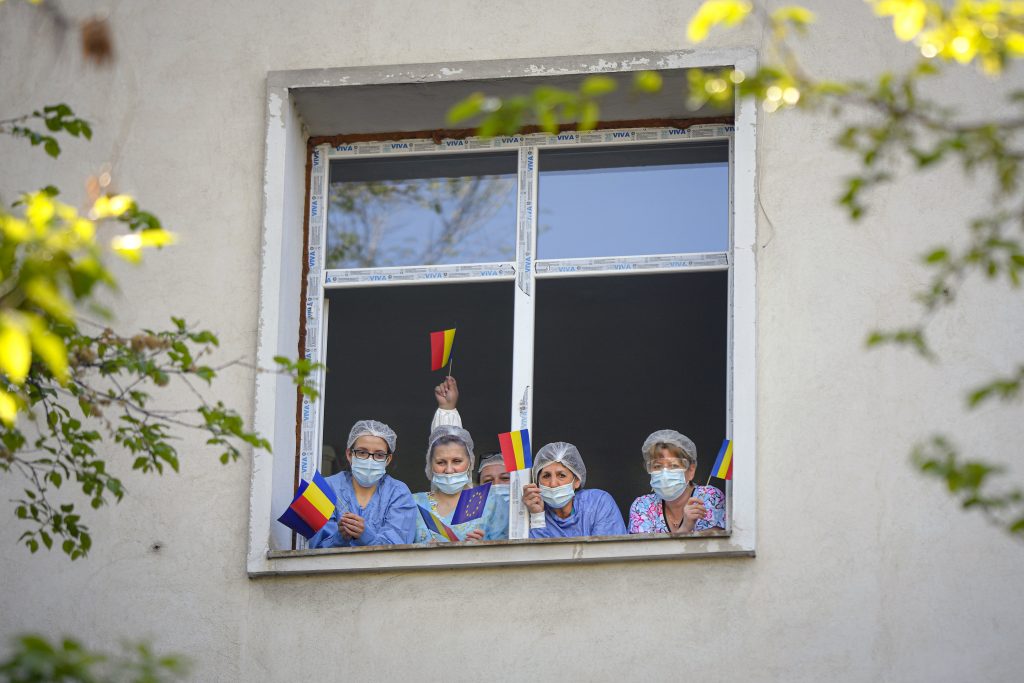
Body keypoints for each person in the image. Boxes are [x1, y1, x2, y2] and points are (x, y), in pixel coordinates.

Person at [308, 419, 417, 548]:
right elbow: (315, 548)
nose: (370, 460)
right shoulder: (324, 488)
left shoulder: (398, 493)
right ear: (349, 454)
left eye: (379, 455)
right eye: (362, 452)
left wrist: (366, 536)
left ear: (388, 459)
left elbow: (398, 549)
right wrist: (340, 537)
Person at [413, 425, 505, 543]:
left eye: (457, 461)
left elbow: (510, 554)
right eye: (441, 462)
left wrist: (484, 548)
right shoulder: (414, 503)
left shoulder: (492, 502)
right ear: (430, 465)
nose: (449, 469)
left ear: (470, 462)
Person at [628, 429, 726, 535]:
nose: (665, 473)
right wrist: (685, 528)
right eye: (657, 466)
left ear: (691, 470)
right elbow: (644, 550)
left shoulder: (708, 497)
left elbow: (713, 547)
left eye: (674, 466)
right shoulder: (643, 506)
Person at [522, 442, 626, 538]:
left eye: (561, 475)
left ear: (576, 481)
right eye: (546, 476)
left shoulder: (598, 503)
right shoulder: (529, 508)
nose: (553, 484)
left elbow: (605, 552)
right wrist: (537, 517)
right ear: (537, 483)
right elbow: (537, 556)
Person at [476, 452, 510, 539]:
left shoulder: (529, 513)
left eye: (505, 478)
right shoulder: (469, 520)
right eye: (488, 480)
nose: (496, 484)